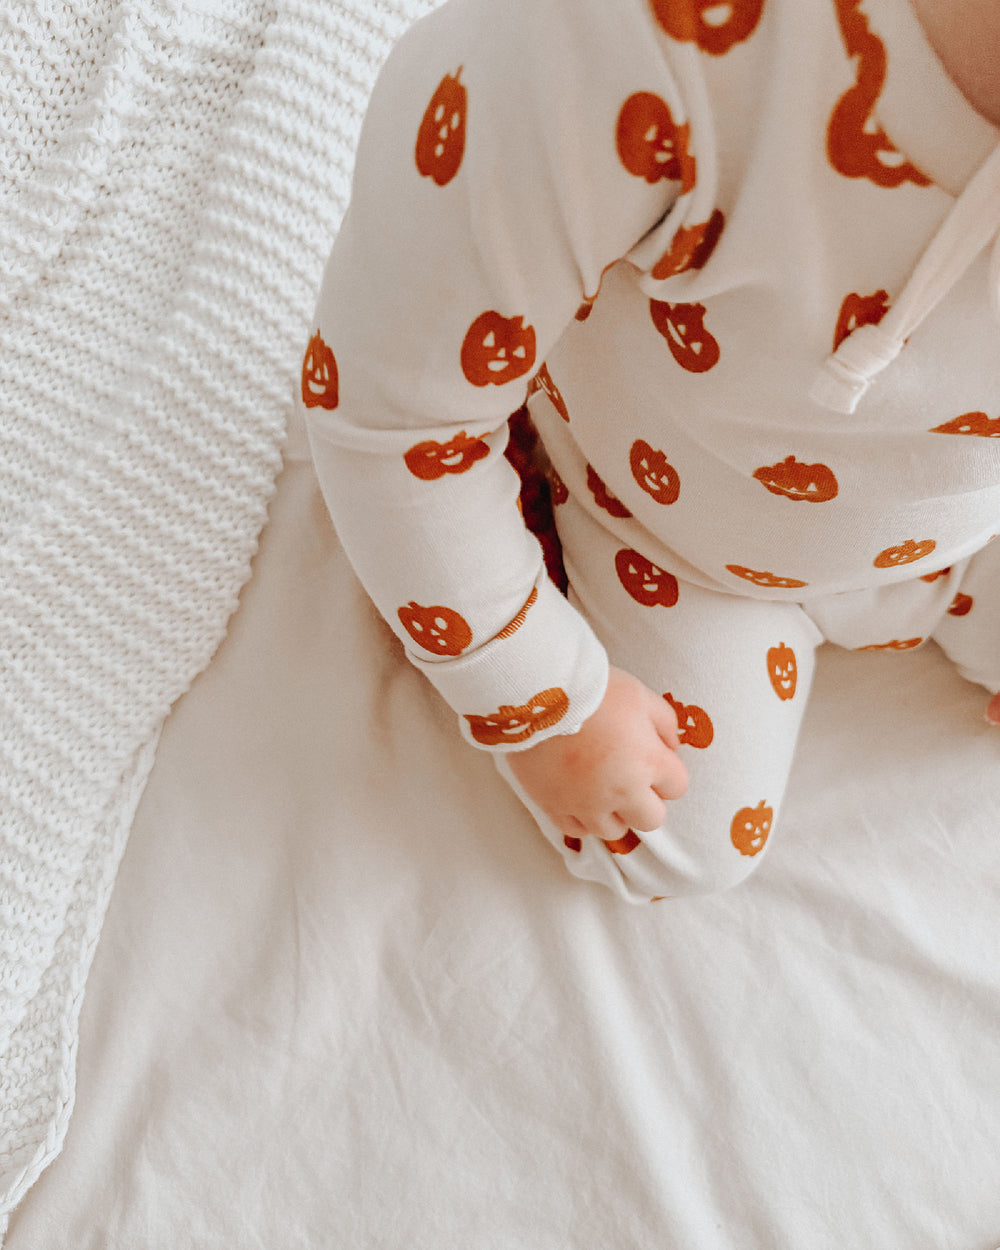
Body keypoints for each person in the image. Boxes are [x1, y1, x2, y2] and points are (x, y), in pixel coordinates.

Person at [300, 0, 1000, 902]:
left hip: (960, 511)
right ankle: (529, 502)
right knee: (671, 837)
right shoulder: (631, 47)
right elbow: (394, 410)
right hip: (661, 527)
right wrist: (541, 702)